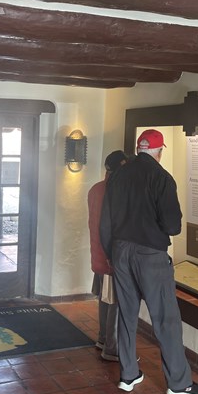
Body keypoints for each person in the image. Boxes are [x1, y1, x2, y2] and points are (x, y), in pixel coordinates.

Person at [100, 129, 198, 394]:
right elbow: (172, 226)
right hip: (150, 255)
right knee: (166, 319)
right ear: (160, 151)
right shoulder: (162, 178)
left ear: (138, 148)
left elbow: (106, 221)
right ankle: (179, 384)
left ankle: (128, 375)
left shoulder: (118, 176)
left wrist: (111, 254)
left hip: (120, 250)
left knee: (126, 313)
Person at [87, 150, 127, 362]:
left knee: (104, 299)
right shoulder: (116, 193)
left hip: (98, 254)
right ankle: (112, 348)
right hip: (112, 257)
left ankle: (102, 339)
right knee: (116, 304)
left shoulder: (95, 189)